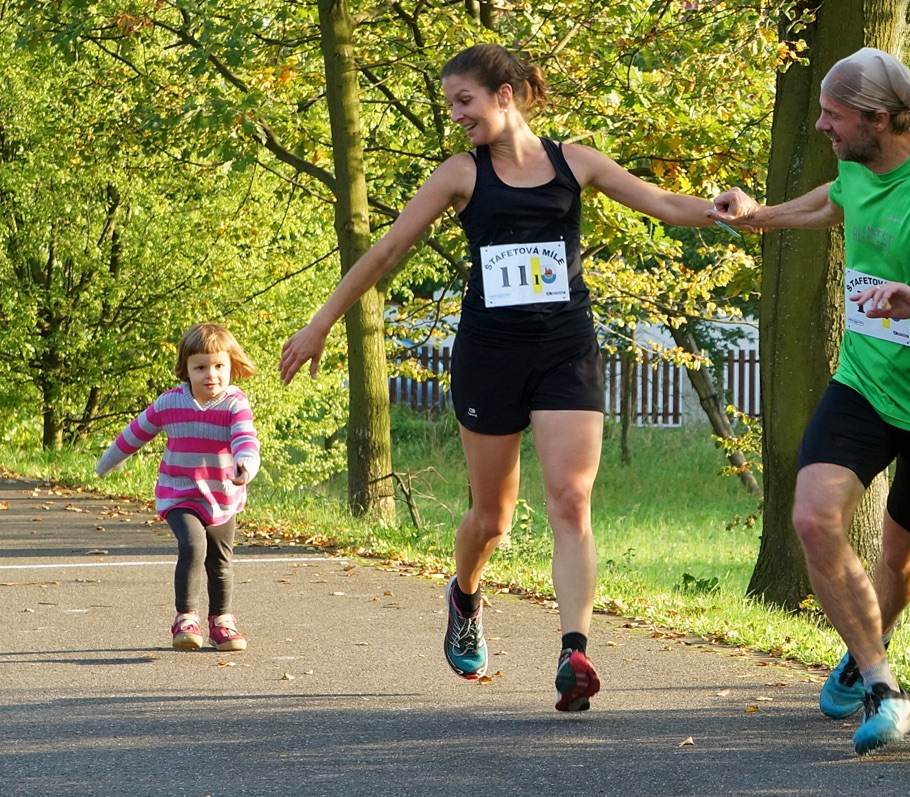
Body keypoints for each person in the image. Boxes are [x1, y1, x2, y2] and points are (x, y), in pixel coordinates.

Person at [279, 44, 720, 711]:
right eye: (451, 103)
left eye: (466, 101)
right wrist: (320, 323)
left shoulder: (577, 163)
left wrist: (731, 210)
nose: (456, 114)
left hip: (565, 350)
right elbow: (389, 249)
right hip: (490, 355)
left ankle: (574, 651)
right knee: (493, 517)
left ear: (506, 95)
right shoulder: (461, 174)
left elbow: (663, 203)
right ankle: (464, 593)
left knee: (571, 500)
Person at [711, 47, 910, 753]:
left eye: (833, 114)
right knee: (815, 516)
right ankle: (884, 686)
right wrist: (757, 215)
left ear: (880, 118)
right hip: (863, 381)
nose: (822, 125)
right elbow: (832, 200)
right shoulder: (857, 168)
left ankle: (863, 648)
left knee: (904, 553)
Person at [96, 322, 261, 652]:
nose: (210, 375)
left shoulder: (234, 404)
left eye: (218, 366)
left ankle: (222, 623)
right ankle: (185, 618)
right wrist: (106, 463)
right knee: (192, 545)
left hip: (223, 495)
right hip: (180, 492)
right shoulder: (170, 403)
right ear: (185, 369)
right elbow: (135, 434)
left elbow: (246, 438)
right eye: (200, 367)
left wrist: (246, 466)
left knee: (220, 560)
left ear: (232, 367)